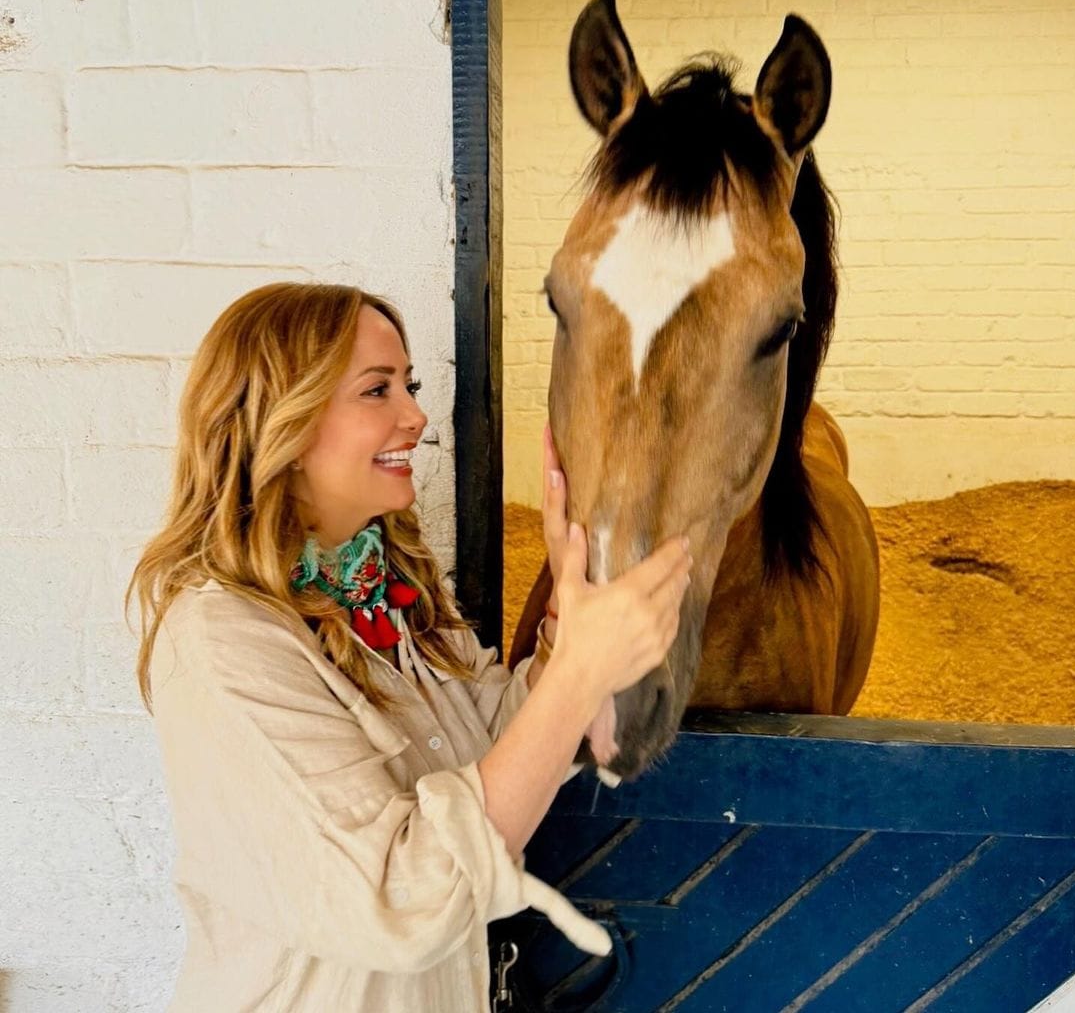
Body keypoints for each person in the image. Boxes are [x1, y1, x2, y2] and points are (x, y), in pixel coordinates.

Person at [127, 282, 691, 1012]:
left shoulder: (385, 586)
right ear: (284, 422)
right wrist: (582, 673)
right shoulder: (222, 638)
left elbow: (503, 747)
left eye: (410, 384)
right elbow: (401, 902)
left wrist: (566, 613)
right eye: (377, 390)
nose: (416, 415)